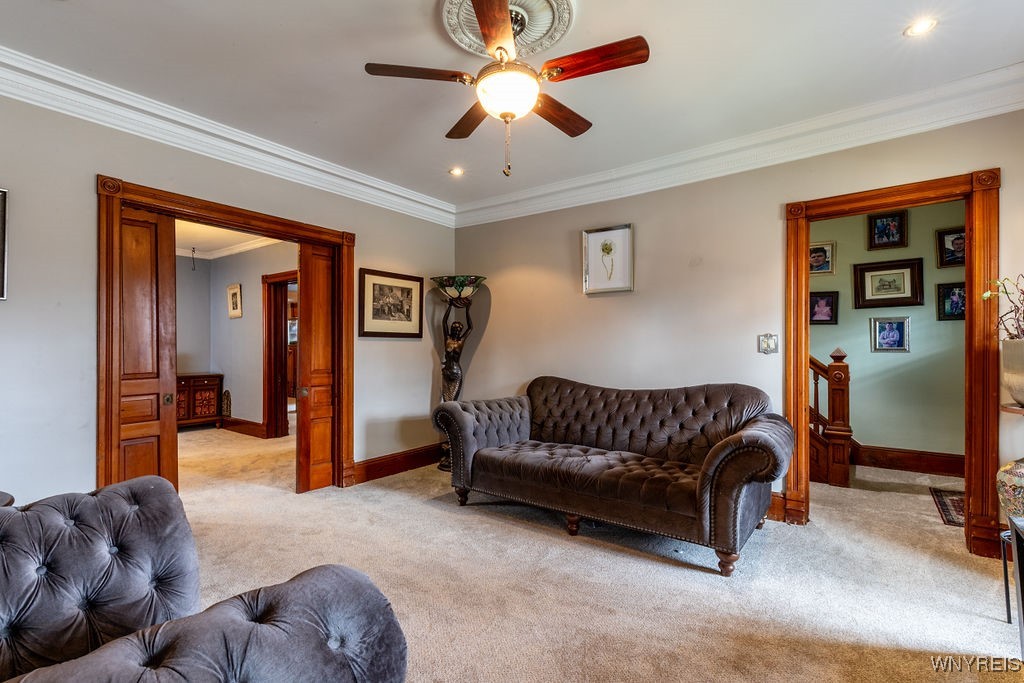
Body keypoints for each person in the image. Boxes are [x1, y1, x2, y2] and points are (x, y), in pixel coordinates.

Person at [440, 302, 473, 401]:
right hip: (446, 372)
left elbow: (470, 327)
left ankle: (453, 416)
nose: (456, 331)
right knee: (446, 400)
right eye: (454, 329)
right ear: (451, 330)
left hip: (456, 373)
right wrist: (450, 306)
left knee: (453, 400)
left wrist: (467, 309)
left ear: (460, 332)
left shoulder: (461, 341)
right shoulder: (447, 339)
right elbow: (444, 322)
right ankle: (445, 416)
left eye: (458, 330)